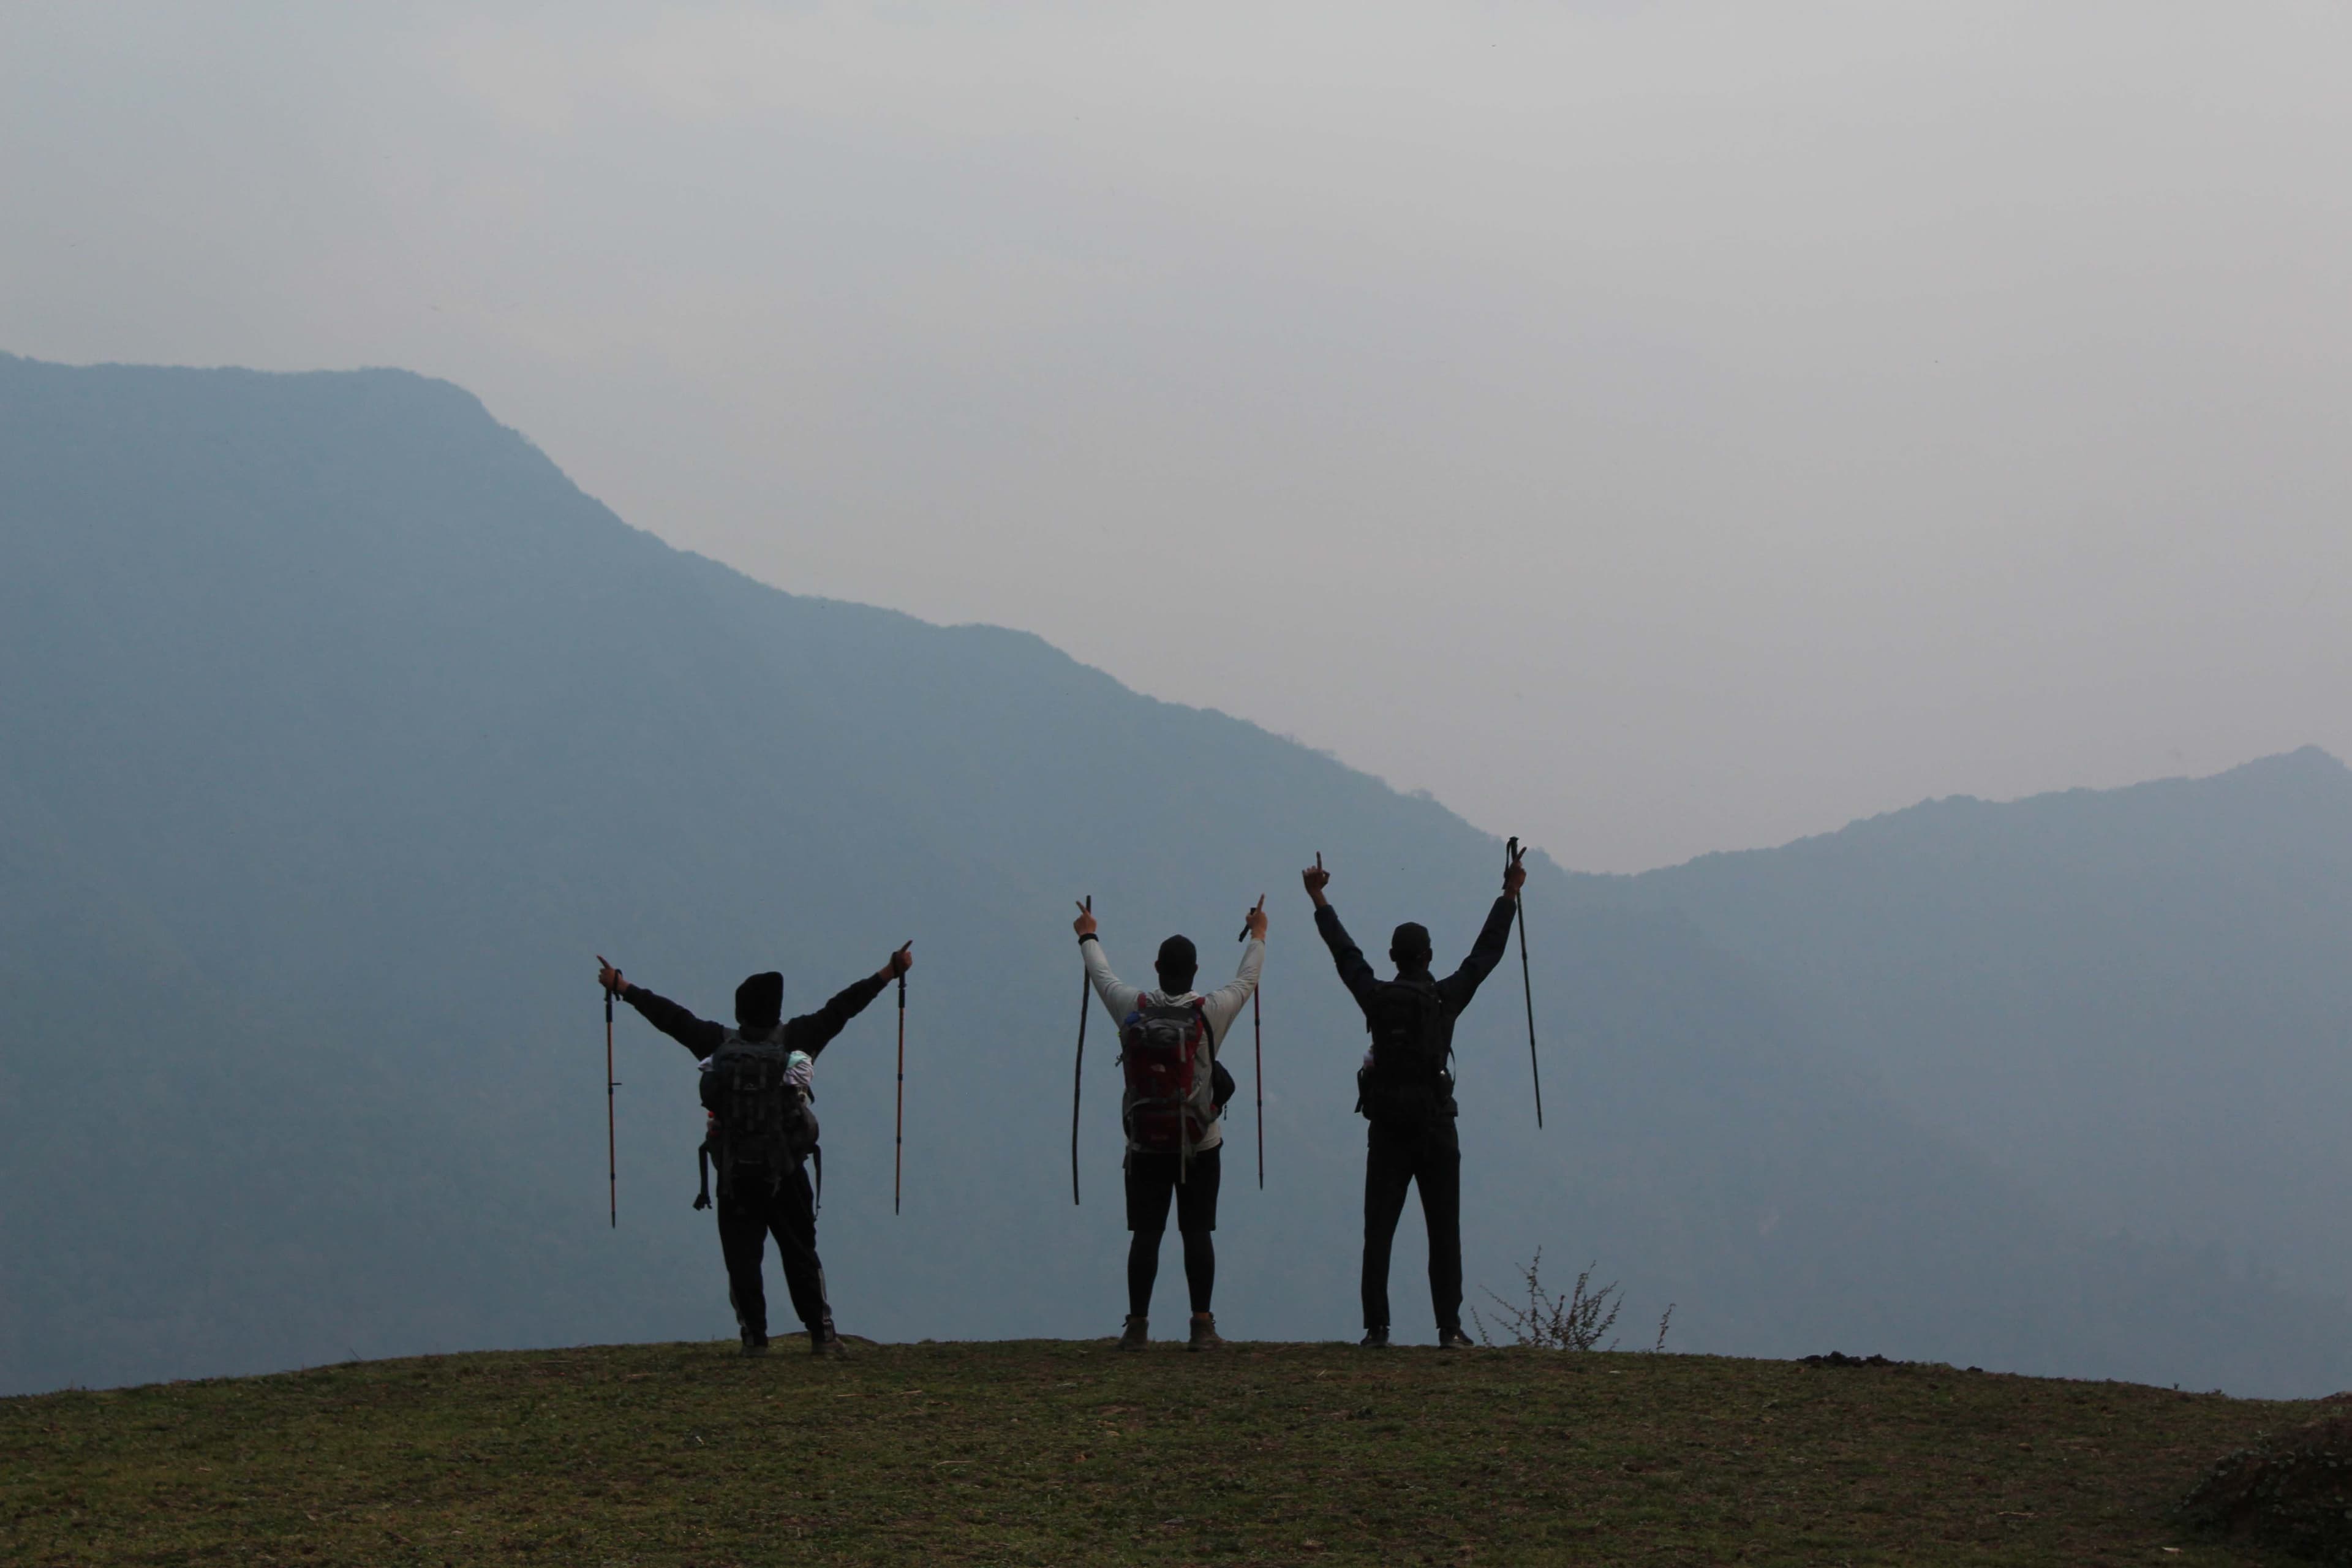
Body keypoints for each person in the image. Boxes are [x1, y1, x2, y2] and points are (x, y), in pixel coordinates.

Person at [596, 943, 912, 1357]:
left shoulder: (717, 1044)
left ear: (740, 1011)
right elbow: (843, 1008)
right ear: (776, 1011)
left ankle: (754, 1339)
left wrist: (622, 986)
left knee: (743, 1259)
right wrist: (889, 972)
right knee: (800, 1253)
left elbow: (672, 1019)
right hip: (786, 1170)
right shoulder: (798, 1039)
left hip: (735, 1173)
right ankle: (822, 1334)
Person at [1303, 850, 1524, 1348]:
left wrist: (1319, 896)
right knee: (1443, 1229)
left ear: (1393, 957)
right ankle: (1449, 1328)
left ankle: (1377, 1328)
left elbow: (1345, 954)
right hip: (1436, 1127)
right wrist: (1509, 894)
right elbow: (1485, 955)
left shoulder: (1375, 997)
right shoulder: (1445, 999)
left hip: (1386, 1128)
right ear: (1428, 956)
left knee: (1378, 1229)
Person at [1074, 898, 1265, 1351]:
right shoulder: (1211, 1010)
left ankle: (1136, 1327)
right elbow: (1247, 979)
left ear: (1157, 967)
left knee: (1146, 1234)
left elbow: (1102, 976)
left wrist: (1087, 933)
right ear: (1195, 972)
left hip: (1144, 1144)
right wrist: (1258, 933)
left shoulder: (1132, 1008)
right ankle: (1202, 1327)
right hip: (1200, 1142)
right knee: (1197, 1232)